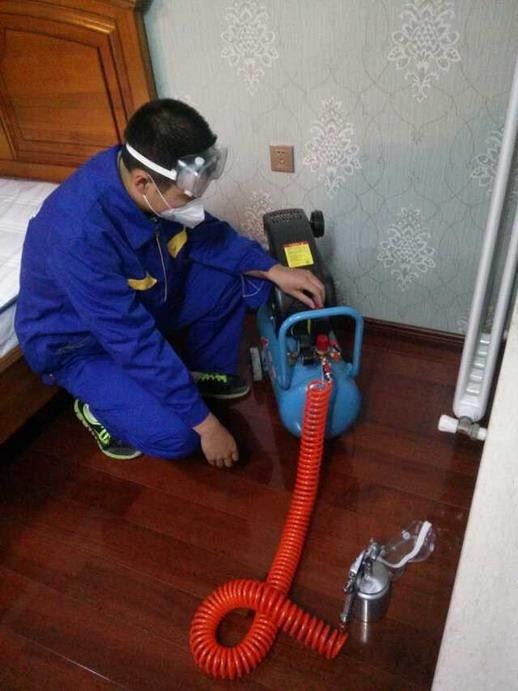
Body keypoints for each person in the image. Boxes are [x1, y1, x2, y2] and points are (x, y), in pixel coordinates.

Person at [15, 99, 325, 469]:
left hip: (143, 300)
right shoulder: (77, 235)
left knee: (238, 280)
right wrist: (207, 427)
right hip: (81, 343)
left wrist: (273, 269)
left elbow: (209, 235)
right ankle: (95, 407)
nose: (192, 203)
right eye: (186, 196)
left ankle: (196, 378)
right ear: (142, 183)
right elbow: (131, 339)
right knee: (179, 436)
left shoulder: (143, 179)